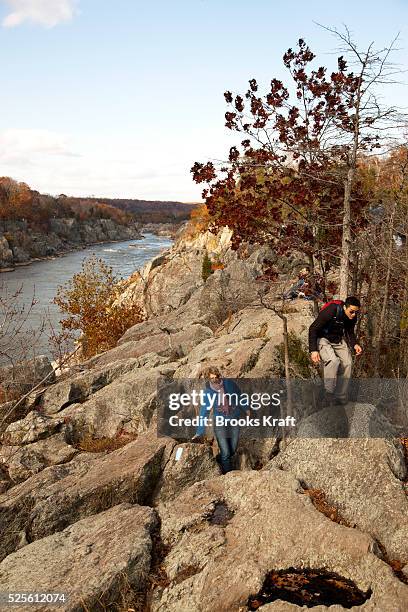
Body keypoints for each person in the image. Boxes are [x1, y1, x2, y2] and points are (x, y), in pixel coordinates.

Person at [308, 296, 363, 405]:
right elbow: (313, 328)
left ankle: (340, 396)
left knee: (348, 363)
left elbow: (349, 332)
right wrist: (313, 350)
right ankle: (328, 393)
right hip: (323, 338)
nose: (354, 315)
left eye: (356, 312)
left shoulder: (353, 316)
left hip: (337, 339)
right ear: (345, 307)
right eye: (351, 312)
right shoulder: (332, 310)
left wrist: (355, 344)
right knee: (333, 361)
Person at [191, 365, 244, 474]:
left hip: (233, 419)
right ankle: (228, 476)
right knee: (226, 452)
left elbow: (239, 395)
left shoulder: (229, 384)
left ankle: (220, 459)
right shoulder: (208, 393)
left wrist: (246, 408)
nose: (215, 379)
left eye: (217, 377)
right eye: (212, 378)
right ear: (208, 379)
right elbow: (204, 412)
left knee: (232, 450)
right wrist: (200, 431)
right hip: (219, 423)